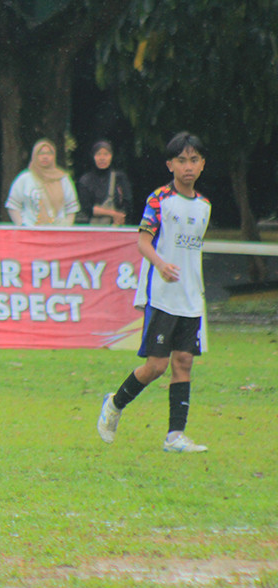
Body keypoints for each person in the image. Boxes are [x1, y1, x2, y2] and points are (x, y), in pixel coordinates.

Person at [97, 132, 211, 453]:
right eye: (181, 161)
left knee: (184, 361)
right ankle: (114, 404)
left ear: (202, 165)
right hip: (162, 295)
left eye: (194, 160)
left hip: (190, 298)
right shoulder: (159, 199)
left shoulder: (203, 206)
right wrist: (160, 264)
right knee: (156, 367)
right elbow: (142, 241)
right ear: (170, 165)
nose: (187, 167)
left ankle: (175, 435)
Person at [5, 138, 80, 226]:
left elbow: (71, 208)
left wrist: (66, 227)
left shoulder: (63, 179)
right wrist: (21, 225)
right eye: (41, 153)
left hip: (58, 233)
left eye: (49, 153)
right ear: (34, 156)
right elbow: (13, 206)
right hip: (31, 232)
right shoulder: (25, 179)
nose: (45, 157)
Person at [76, 140, 133, 226]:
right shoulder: (85, 180)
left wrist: (120, 217)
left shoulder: (120, 178)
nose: (102, 158)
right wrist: (112, 213)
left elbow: (127, 203)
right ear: (93, 157)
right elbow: (86, 208)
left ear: (111, 156)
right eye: (98, 154)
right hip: (92, 228)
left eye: (106, 154)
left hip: (116, 226)